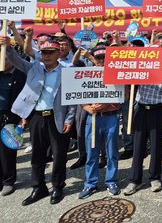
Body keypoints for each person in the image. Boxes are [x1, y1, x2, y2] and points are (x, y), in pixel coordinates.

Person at [0, 37, 76, 206]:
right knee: (37, 155)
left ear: (58, 53)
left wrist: (70, 119)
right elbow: (16, 61)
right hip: (36, 117)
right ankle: (38, 187)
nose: (46, 55)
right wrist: (8, 47)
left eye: (50, 52)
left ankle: (57, 186)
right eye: (43, 52)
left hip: (58, 118)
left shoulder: (67, 71)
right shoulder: (34, 67)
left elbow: (72, 98)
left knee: (59, 155)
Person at [123, 43, 162, 196]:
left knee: (156, 145)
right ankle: (134, 180)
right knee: (138, 145)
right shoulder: (140, 69)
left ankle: (155, 177)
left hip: (158, 111)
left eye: (158, 53)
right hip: (141, 110)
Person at [77, 45, 121, 199]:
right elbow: (77, 93)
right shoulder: (86, 74)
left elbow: (124, 96)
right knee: (92, 153)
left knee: (112, 152)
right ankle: (90, 183)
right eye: (98, 57)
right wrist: (86, 107)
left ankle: (111, 181)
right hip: (92, 118)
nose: (101, 60)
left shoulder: (117, 74)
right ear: (93, 58)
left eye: (104, 57)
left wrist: (107, 104)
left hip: (110, 117)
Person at [0, 52, 26, 196]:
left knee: (7, 151)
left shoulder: (21, 75)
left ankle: (8, 181)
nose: (2, 61)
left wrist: (23, 117)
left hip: (11, 117)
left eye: (5, 58)